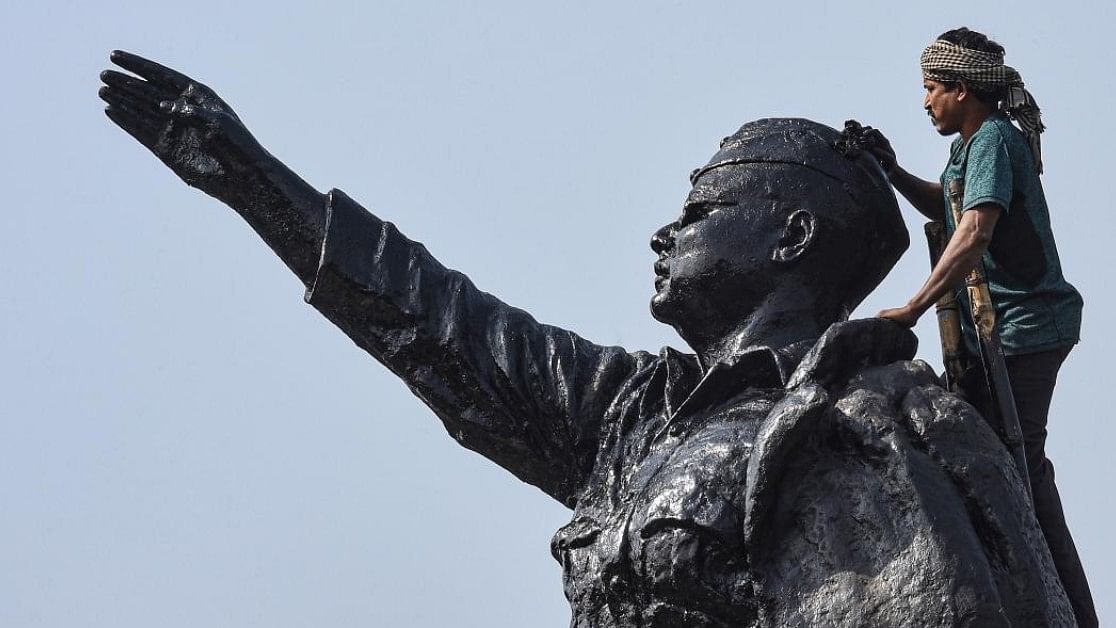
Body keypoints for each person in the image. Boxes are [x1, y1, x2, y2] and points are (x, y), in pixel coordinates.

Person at [100, 51, 1075, 627]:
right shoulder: (633, 413)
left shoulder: (876, 414)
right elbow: (437, 320)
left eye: (700, 208)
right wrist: (249, 177)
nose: (667, 232)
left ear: (792, 235)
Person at [869, 27, 1095, 627]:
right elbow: (948, 207)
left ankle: (1072, 612)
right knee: (1004, 466)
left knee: (1020, 469)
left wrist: (913, 306)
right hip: (1001, 331)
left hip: (1028, 326)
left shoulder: (993, 138)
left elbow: (974, 230)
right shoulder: (969, 147)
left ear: (961, 90)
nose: (925, 101)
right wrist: (889, 169)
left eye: (931, 88)